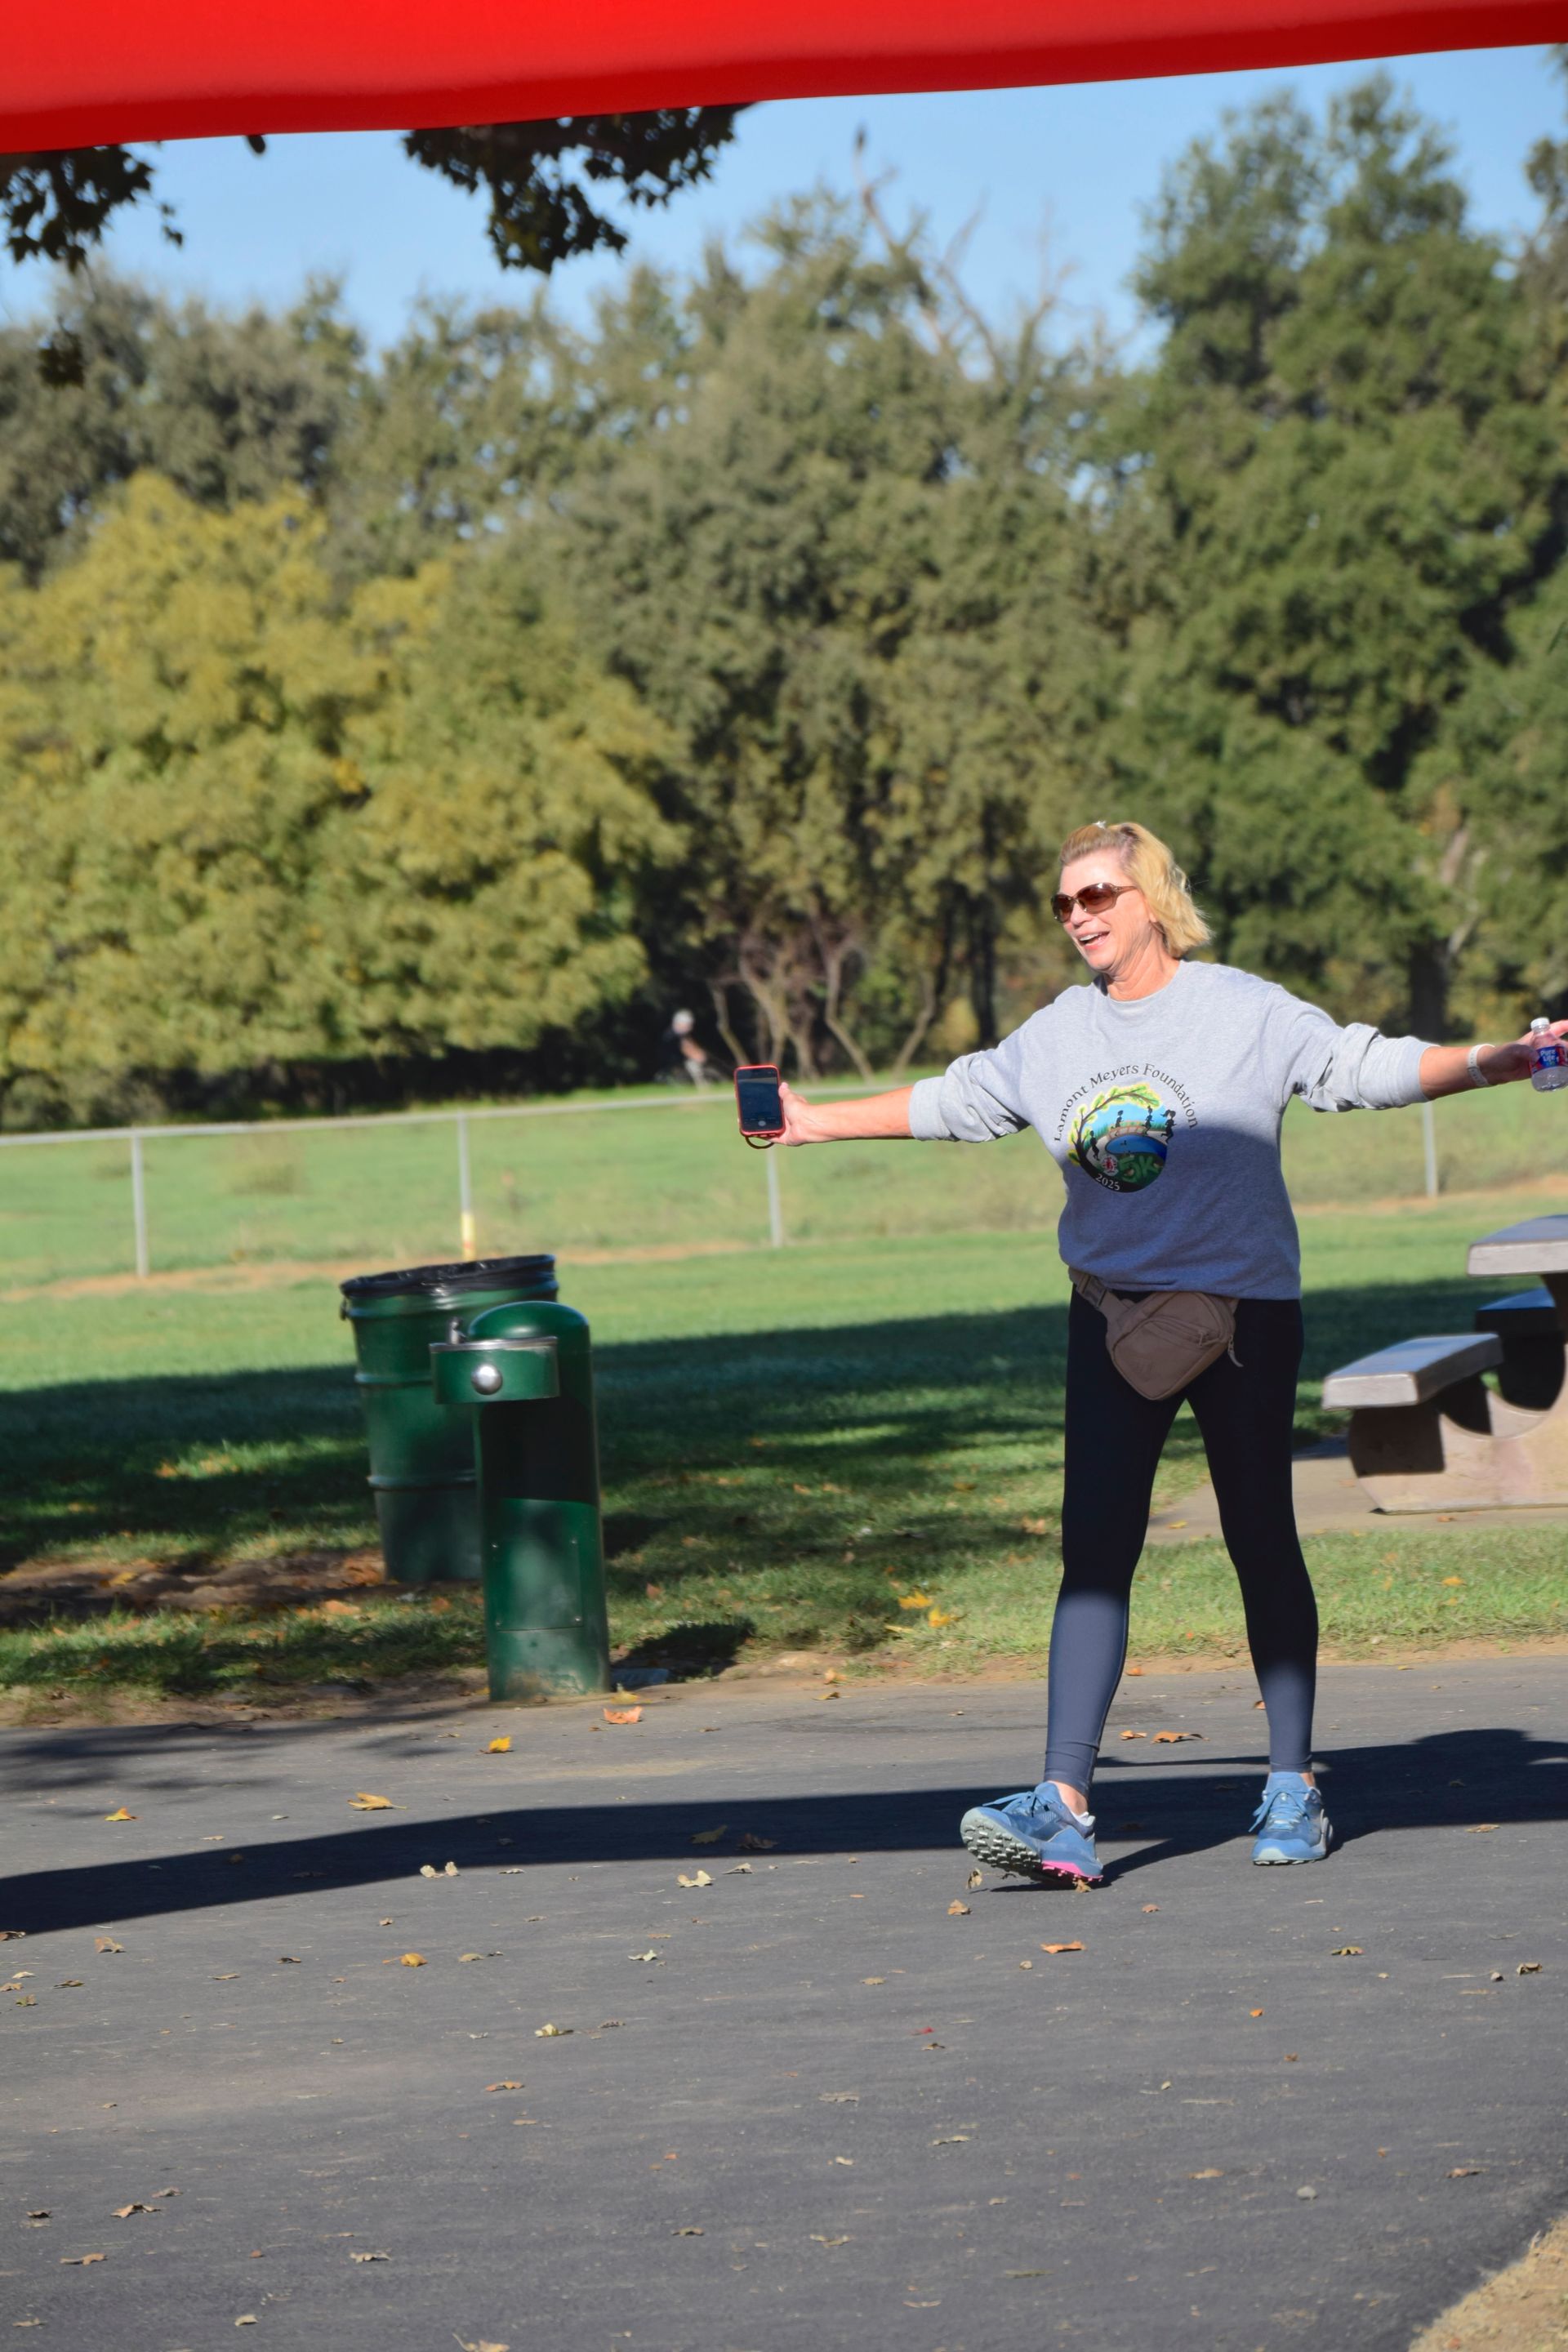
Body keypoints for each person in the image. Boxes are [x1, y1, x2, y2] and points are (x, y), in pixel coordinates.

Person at [771, 818, 1568, 1881]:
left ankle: (1292, 1786)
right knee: (1094, 1555)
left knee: (1259, 1536)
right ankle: (1061, 1805)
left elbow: (1358, 1068)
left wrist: (1496, 1060)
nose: (1079, 917)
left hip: (1240, 1314)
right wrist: (813, 1123)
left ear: (1150, 897)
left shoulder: (1243, 1010)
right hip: (1109, 1316)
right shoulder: (1055, 1034)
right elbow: (955, 1100)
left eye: (1097, 895)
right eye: (1064, 903)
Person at [657, 1009, 711, 1088]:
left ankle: (702, 1082)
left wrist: (698, 1052)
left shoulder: (681, 1034)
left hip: (679, 1060)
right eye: (688, 1025)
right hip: (672, 1062)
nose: (690, 1027)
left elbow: (690, 1045)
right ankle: (701, 1084)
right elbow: (685, 1048)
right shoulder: (672, 1036)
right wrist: (696, 1056)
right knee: (693, 1065)